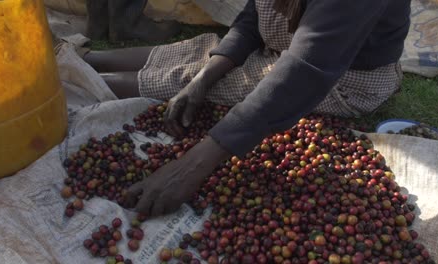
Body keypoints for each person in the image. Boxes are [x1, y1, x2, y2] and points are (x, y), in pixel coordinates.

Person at [83, 0, 411, 216]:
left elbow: (304, 71)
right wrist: (205, 77)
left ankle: (70, 81)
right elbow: (254, 17)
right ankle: (76, 62)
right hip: (287, 47)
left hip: (346, 79)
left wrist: (193, 164)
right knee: (202, 57)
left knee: (180, 79)